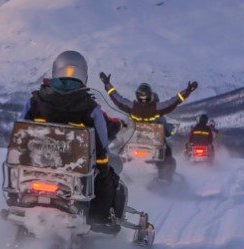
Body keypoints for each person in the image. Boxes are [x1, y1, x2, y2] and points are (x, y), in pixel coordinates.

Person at [20, 50, 121, 231]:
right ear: (83, 75)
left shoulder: (36, 101)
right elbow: (102, 143)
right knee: (107, 176)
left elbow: (21, 131)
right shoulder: (89, 107)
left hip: (37, 162)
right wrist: (102, 163)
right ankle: (100, 220)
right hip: (74, 167)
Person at [98, 73, 198, 179]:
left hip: (134, 142)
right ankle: (165, 178)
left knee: (118, 148)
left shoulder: (132, 107)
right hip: (152, 143)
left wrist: (107, 84)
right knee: (167, 153)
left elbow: (117, 99)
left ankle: (114, 174)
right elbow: (173, 102)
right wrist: (187, 91)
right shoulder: (157, 108)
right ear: (150, 96)